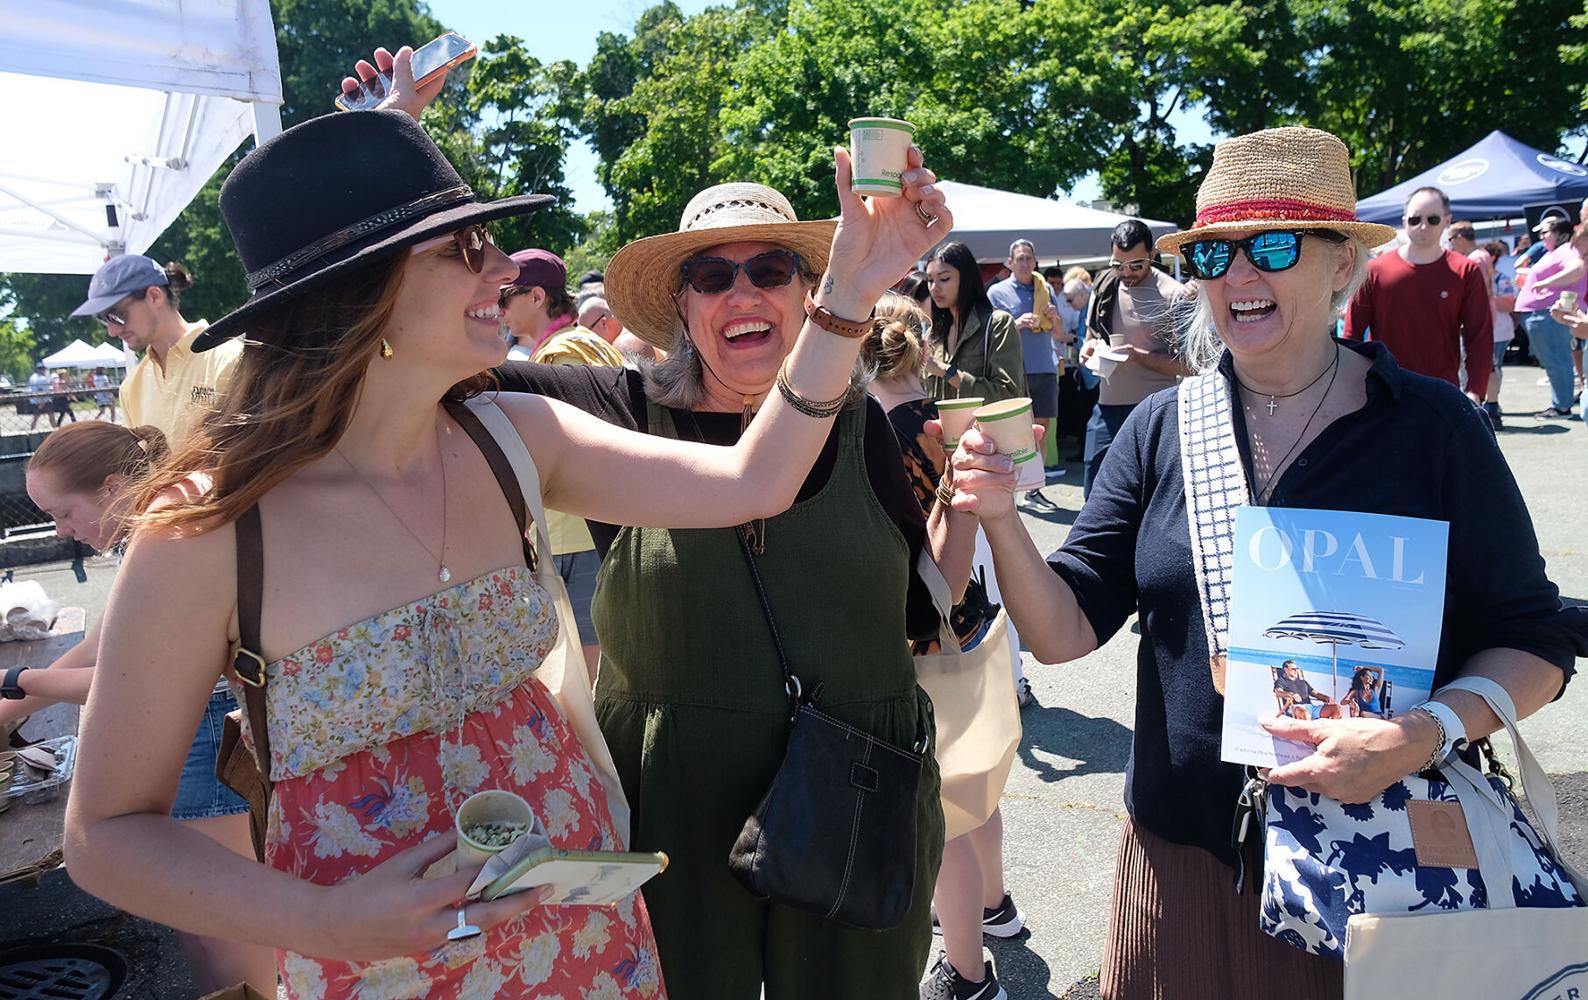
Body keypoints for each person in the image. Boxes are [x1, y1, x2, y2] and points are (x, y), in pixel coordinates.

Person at [67, 39, 955, 996]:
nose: (503, 269)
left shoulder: (512, 437)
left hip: (590, 931)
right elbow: (105, 836)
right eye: (464, 247)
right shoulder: (205, 531)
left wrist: (850, 294)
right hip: (388, 971)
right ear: (360, 297)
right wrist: (318, 920)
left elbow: (753, 479)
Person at [942, 126, 1582, 999]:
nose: (1238, 275)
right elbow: (1062, 633)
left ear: (1340, 266)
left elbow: (1536, 644)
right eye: (1214, 254)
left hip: (1387, 863)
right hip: (1187, 857)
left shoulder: (1433, 428)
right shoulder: (1162, 428)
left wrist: (1413, 737)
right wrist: (1003, 522)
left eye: (1273, 246)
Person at [2, 421, 275, 994]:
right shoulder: (145, 534)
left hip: (214, 737)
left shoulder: (171, 532)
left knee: (227, 922)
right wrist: (10, 702)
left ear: (110, 488)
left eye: (64, 513)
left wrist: (20, 677)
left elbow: (140, 678)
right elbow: (101, 644)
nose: (62, 530)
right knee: (193, 915)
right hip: (192, 732)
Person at [860, 294, 1023, 1000]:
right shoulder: (945, 412)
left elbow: (911, 565)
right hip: (975, 615)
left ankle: (966, 972)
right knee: (976, 778)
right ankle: (996, 906)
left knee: (940, 810)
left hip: (923, 626)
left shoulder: (871, 428)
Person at [529, 301, 626, 684]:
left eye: (509, 295)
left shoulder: (562, 352)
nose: (501, 305)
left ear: (535, 296)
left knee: (584, 671)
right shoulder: (581, 343)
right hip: (591, 525)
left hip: (574, 533)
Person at [70, 255, 242, 446]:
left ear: (155, 296)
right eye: (103, 319)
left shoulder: (229, 360)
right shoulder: (131, 387)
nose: (112, 331)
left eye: (116, 316)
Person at [1343, 187, 1493, 403]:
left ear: (1447, 221)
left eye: (1432, 219)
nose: (1423, 226)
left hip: (1442, 393)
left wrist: (1475, 391)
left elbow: (1479, 336)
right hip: (1385, 389)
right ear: (1404, 221)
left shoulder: (1465, 271)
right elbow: (1351, 334)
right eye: (1415, 219)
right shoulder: (1374, 271)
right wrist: (1350, 385)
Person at [1078, 220, 1191, 499]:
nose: (1126, 272)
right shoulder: (1104, 286)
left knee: (1149, 497)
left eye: (1136, 265)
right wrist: (1089, 348)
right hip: (1106, 407)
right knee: (1094, 494)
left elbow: (1189, 365)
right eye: (1118, 265)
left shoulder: (1172, 294)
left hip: (1156, 410)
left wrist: (1138, 357)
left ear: (1152, 255)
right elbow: (1091, 336)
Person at [987, 239, 1069, 498]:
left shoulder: (1044, 288)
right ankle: (1010, 484)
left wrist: (1054, 317)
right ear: (1010, 262)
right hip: (1013, 369)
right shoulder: (997, 292)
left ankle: (1035, 485)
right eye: (1019, 258)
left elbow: (1060, 335)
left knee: (1041, 427)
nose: (1024, 263)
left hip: (1044, 366)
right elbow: (988, 333)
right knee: (1012, 430)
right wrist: (1016, 323)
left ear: (1035, 261)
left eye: (1028, 258)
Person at [921, 242, 1025, 409]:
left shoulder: (998, 324)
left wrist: (943, 370)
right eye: (929, 280)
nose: (934, 288)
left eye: (944, 278)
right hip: (944, 433)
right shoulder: (933, 334)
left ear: (966, 278)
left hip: (987, 433)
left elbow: (1008, 394)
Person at [1515, 215, 1587, 419]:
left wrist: (1544, 283)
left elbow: (1577, 269)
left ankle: (1562, 407)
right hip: (1543, 314)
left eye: (1545, 231)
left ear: (1561, 234)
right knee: (1555, 360)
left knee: (1557, 360)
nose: (1541, 236)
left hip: (1548, 314)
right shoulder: (1555, 252)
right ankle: (1561, 404)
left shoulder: (1568, 250)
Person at [500, 248, 577, 360]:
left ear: (537, 297)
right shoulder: (569, 344)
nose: (499, 311)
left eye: (503, 300)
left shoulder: (562, 354)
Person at [25, 362, 49, 430]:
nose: (44, 370)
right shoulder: (42, 378)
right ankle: (54, 428)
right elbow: (40, 390)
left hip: (34, 400)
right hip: (44, 400)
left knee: (35, 418)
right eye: (43, 369)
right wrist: (41, 401)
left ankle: (31, 430)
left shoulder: (32, 377)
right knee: (51, 416)